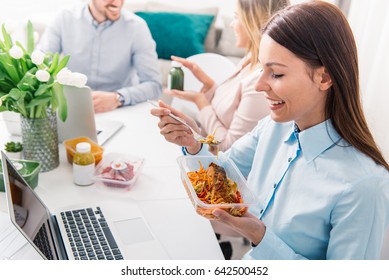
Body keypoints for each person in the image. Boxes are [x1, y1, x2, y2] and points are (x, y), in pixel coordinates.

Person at [151, 1, 389, 259]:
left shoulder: (365, 185)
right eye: (261, 69)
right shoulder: (274, 128)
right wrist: (192, 143)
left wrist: (260, 236)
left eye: (275, 74)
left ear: (324, 77)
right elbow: (225, 173)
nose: (261, 85)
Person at [164, 0, 290, 153]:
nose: (231, 24)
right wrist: (210, 87)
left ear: (252, 21)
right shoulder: (249, 59)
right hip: (205, 149)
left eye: (236, 17)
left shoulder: (260, 84)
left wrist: (201, 102)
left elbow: (230, 149)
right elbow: (228, 110)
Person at [38, 0, 162, 113]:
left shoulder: (137, 27)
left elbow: (154, 85)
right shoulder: (64, 18)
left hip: (119, 109)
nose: (118, 2)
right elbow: (39, 66)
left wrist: (118, 98)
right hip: (71, 109)